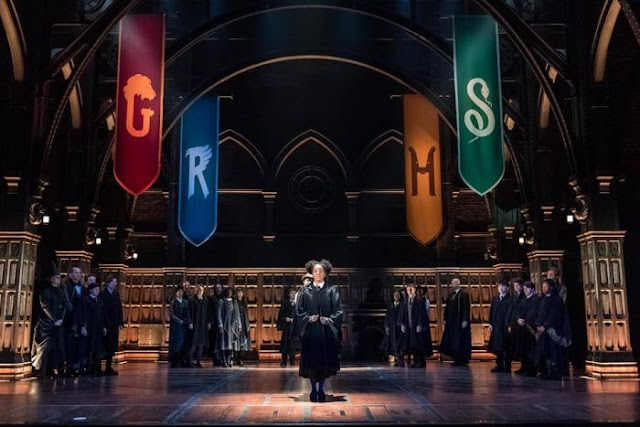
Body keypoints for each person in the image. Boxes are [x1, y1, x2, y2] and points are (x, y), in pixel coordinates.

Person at [296, 259, 343, 403]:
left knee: (323, 362)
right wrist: (308, 318)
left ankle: (321, 389)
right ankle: (313, 390)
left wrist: (329, 320)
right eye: (315, 271)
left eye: (321, 271)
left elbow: (339, 310)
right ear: (312, 273)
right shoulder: (305, 291)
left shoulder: (332, 290)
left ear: (325, 273)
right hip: (311, 331)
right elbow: (299, 310)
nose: (318, 273)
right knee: (311, 362)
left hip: (325, 332)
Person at [31, 267, 69, 377]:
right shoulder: (46, 292)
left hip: (58, 323)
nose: (59, 280)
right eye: (56, 278)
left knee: (58, 347)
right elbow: (45, 306)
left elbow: (65, 306)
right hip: (46, 323)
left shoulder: (61, 291)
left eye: (59, 278)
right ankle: (42, 369)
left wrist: (61, 319)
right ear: (51, 279)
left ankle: (55, 368)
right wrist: (54, 319)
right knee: (44, 348)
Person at [535, 279, 572, 380]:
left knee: (553, 351)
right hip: (542, 331)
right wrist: (538, 325)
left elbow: (554, 314)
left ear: (551, 287)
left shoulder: (557, 300)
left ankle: (555, 372)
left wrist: (546, 326)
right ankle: (546, 370)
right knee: (543, 351)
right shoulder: (541, 300)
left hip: (553, 330)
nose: (543, 288)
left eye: (546, 286)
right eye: (543, 286)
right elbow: (537, 313)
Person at [440, 278, 471, 366]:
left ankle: (462, 360)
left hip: (459, 321)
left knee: (460, 341)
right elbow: (447, 308)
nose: (452, 285)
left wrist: (465, 320)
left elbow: (466, 308)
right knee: (453, 341)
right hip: (452, 322)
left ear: (458, 284)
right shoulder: (451, 295)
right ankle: (456, 359)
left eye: (454, 283)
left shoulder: (463, 294)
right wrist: (445, 319)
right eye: (452, 283)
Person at [77, 282, 106, 376]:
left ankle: (96, 368)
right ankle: (87, 368)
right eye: (95, 289)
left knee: (97, 347)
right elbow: (82, 314)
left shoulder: (100, 301)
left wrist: (104, 326)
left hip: (98, 328)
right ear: (90, 290)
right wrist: (83, 326)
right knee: (88, 347)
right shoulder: (85, 300)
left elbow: (102, 315)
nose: (97, 291)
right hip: (89, 327)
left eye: (98, 289)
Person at [512, 281, 540, 376]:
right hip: (522, 327)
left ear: (533, 289)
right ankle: (524, 367)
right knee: (522, 348)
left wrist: (526, 320)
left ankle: (532, 370)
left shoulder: (536, 300)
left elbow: (534, 313)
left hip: (530, 328)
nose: (525, 290)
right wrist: (518, 319)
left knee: (530, 349)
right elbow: (517, 311)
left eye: (527, 288)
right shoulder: (523, 300)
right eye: (524, 288)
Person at [63, 265, 86, 376]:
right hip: (70, 318)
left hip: (79, 318)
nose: (78, 275)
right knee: (69, 343)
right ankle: (68, 367)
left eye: (79, 273)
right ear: (71, 274)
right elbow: (66, 301)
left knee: (78, 344)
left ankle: (75, 366)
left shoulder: (82, 287)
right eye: (76, 272)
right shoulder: (67, 286)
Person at [404, 283, 432, 368]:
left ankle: (421, 361)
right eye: (408, 289)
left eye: (411, 289)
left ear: (415, 290)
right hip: (409, 325)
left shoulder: (419, 301)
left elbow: (421, 314)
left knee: (419, 344)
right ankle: (415, 361)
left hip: (416, 325)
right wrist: (403, 324)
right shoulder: (406, 301)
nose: (410, 291)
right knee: (412, 344)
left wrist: (419, 324)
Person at [487, 281, 512, 373]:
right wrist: (490, 323)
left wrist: (510, 324)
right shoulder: (495, 299)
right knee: (497, 346)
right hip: (496, 325)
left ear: (507, 288)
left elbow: (511, 313)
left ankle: (507, 366)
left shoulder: (510, 300)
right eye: (499, 286)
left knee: (506, 346)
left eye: (503, 286)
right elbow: (491, 312)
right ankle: (499, 365)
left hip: (505, 326)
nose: (501, 288)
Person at [101, 275, 123, 375]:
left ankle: (108, 367)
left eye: (115, 282)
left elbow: (119, 308)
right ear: (108, 283)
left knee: (111, 346)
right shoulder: (103, 294)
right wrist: (104, 324)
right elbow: (102, 311)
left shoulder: (116, 293)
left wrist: (120, 322)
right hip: (106, 324)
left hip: (114, 324)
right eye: (113, 282)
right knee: (105, 346)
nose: (115, 284)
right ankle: (99, 367)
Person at [216, 287, 241, 368]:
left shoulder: (234, 302)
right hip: (224, 325)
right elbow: (218, 313)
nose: (229, 293)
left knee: (231, 344)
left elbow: (237, 314)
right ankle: (224, 360)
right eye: (228, 291)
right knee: (224, 344)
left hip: (233, 326)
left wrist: (239, 325)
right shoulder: (221, 301)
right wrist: (220, 324)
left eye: (231, 292)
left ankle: (229, 359)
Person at [169, 287, 192, 368]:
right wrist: (179, 321)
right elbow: (172, 314)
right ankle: (175, 361)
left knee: (184, 343)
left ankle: (183, 360)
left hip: (185, 325)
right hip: (177, 326)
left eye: (182, 292)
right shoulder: (173, 302)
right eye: (179, 292)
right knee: (176, 343)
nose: (180, 293)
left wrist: (188, 321)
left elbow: (189, 313)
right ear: (176, 293)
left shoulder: (185, 302)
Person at [189, 285, 211, 368]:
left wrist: (209, 322)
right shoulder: (192, 300)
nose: (200, 291)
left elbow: (208, 312)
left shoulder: (205, 300)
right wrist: (190, 322)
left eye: (201, 290)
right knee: (193, 344)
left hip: (203, 324)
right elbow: (189, 312)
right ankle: (190, 361)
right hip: (195, 324)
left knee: (201, 344)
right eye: (199, 290)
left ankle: (198, 360)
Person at [383, 290, 406, 367]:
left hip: (399, 327)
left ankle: (401, 360)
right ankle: (398, 360)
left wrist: (403, 324)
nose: (396, 296)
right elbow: (387, 317)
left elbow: (404, 316)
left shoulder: (402, 305)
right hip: (392, 327)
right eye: (395, 295)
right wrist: (386, 326)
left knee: (400, 344)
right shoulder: (391, 306)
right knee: (394, 345)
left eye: (397, 295)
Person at [277, 287, 299, 367]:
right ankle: (284, 361)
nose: (293, 295)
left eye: (294, 293)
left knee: (293, 344)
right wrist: (286, 318)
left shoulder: (298, 303)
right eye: (292, 293)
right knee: (285, 344)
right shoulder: (285, 303)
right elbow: (281, 315)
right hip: (287, 327)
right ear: (289, 295)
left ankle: (292, 360)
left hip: (294, 327)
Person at [234, 288, 251, 367]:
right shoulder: (235, 302)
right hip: (236, 323)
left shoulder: (244, 302)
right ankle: (234, 358)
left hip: (243, 323)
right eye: (238, 292)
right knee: (236, 340)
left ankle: (240, 358)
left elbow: (245, 313)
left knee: (242, 341)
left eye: (241, 292)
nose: (240, 294)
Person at [209, 283, 224, 366]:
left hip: (223, 323)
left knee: (222, 342)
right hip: (214, 323)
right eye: (217, 288)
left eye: (219, 288)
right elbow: (209, 311)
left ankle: (222, 358)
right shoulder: (211, 299)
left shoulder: (223, 298)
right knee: (214, 342)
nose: (218, 289)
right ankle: (216, 359)